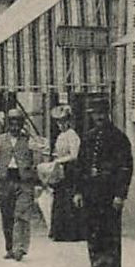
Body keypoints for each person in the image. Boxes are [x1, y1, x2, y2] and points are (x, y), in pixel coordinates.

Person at [75, 102, 132, 267]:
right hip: (91, 193)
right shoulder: (88, 138)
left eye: (101, 113)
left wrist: (120, 195)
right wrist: (78, 191)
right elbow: (81, 167)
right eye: (95, 113)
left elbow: (125, 168)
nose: (98, 117)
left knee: (111, 234)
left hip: (109, 194)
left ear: (108, 114)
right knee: (93, 233)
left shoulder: (118, 138)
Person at [0, 108, 48, 261]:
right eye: (11, 122)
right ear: (7, 124)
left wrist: (32, 135)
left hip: (24, 181)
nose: (14, 126)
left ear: (22, 124)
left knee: (22, 215)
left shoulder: (29, 140)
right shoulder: (0, 139)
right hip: (5, 180)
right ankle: (10, 247)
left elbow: (45, 147)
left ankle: (20, 248)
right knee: (7, 215)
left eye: (17, 123)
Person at [47, 103, 86, 242]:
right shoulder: (61, 136)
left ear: (69, 121)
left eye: (64, 121)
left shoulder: (72, 135)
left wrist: (60, 160)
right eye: (59, 122)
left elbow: (75, 155)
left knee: (68, 199)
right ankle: (60, 231)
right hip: (62, 169)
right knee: (60, 198)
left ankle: (71, 232)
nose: (61, 124)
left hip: (70, 170)